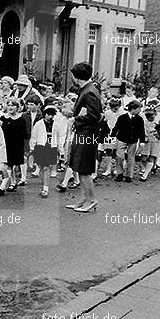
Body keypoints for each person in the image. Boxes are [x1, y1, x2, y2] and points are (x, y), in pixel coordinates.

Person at [66, 63, 102, 213]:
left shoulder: (89, 92)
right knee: (80, 167)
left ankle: (92, 199)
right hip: (84, 132)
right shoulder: (87, 90)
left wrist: (75, 120)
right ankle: (83, 199)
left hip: (87, 134)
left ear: (76, 76)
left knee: (84, 168)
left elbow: (95, 116)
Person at [30, 105, 61, 198]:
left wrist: (60, 149)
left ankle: (45, 188)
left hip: (51, 147)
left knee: (47, 167)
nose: (51, 117)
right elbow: (34, 136)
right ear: (45, 114)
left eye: (52, 115)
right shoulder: (39, 124)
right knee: (42, 167)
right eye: (49, 114)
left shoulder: (56, 125)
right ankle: (44, 184)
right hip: (41, 147)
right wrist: (32, 148)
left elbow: (58, 137)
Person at [112, 100, 145, 183]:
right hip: (122, 139)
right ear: (133, 109)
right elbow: (116, 128)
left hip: (133, 140)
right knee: (119, 156)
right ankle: (120, 173)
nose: (140, 111)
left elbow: (142, 131)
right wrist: (112, 137)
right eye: (139, 109)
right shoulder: (122, 118)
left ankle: (129, 176)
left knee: (131, 158)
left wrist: (142, 142)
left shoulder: (140, 119)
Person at [0, 98, 27, 194]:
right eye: (9, 105)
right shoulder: (3, 118)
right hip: (6, 144)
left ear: (17, 107)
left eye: (13, 105)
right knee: (8, 164)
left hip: (17, 145)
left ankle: (2, 187)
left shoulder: (21, 119)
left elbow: (24, 134)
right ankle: (13, 182)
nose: (11, 107)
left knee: (10, 165)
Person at [139, 107, 160, 181]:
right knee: (143, 158)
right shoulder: (144, 122)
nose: (151, 119)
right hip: (146, 141)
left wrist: (159, 133)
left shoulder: (158, 123)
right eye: (149, 117)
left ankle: (145, 174)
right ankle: (147, 168)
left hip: (155, 141)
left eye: (152, 117)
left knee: (151, 157)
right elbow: (142, 132)